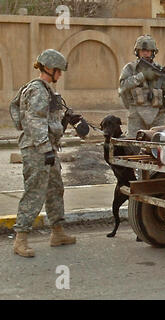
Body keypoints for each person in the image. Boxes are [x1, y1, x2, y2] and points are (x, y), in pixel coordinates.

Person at [11, 49, 80, 257]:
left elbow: (49, 119)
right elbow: (35, 121)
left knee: (54, 189)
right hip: (37, 150)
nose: (60, 75)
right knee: (34, 192)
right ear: (48, 68)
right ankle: (20, 239)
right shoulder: (38, 90)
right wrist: (45, 148)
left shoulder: (46, 90)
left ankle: (57, 232)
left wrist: (67, 120)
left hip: (47, 148)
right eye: (58, 71)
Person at [119, 34, 165, 138]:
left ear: (153, 52)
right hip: (136, 113)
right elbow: (123, 86)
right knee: (133, 145)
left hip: (157, 114)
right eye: (142, 50)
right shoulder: (130, 68)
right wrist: (142, 76)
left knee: (158, 144)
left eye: (148, 51)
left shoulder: (159, 70)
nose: (145, 53)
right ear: (137, 52)